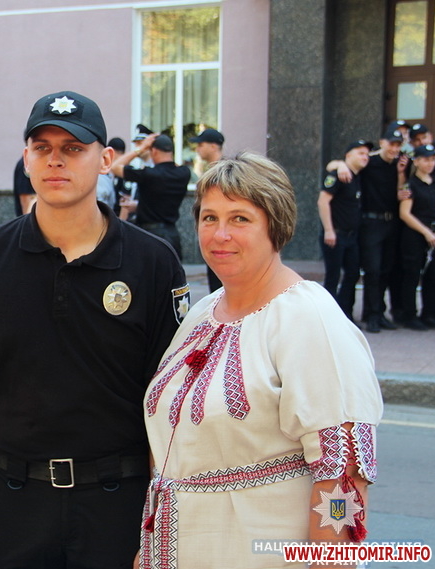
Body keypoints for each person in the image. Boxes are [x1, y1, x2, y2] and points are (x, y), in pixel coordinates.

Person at [0, 91, 187, 569]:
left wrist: (158, 528)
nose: (55, 161)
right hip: (12, 504)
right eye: (42, 148)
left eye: (74, 148)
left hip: (117, 505)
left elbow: (167, 407)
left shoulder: (153, 262)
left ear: (106, 159)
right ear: (26, 159)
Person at [141, 153, 382, 569]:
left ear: (276, 225)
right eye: (209, 218)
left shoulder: (308, 317)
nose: (220, 234)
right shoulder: (203, 312)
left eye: (240, 219)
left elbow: (343, 474)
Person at [332, 128, 409, 333]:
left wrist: (401, 174)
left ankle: (376, 312)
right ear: (382, 142)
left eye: (398, 145)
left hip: (391, 223)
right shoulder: (369, 161)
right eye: (391, 144)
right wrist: (340, 165)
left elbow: (401, 190)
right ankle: (372, 315)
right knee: (372, 270)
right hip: (370, 223)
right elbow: (337, 164)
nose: (394, 149)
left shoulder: (401, 164)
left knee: (385, 270)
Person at [112, 133, 191, 260]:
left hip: (149, 234)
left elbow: (114, 167)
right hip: (172, 234)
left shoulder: (149, 174)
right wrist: (140, 206)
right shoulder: (184, 173)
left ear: (153, 151)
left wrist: (140, 149)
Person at [317, 140, 371, 321]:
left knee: (353, 274)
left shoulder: (357, 176)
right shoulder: (337, 175)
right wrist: (329, 230)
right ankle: (327, 317)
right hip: (335, 235)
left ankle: (344, 314)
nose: (365, 157)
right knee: (333, 277)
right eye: (360, 153)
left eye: (366, 154)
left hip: (351, 237)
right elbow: (323, 201)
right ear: (348, 155)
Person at [397, 144, 435, 330]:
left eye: (432, 159)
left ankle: (429, 313)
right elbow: (405, 213)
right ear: (416, 161)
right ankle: (409, 315)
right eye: (425, 160)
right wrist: (425, 232)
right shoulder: (411, 184)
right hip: (415, 234)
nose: (430, 163)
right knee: (412, 274)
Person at [191, 128, 226, 292]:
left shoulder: (225, 173)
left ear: (213, 146)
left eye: (201, 144)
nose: (197, 149)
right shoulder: (211, 170)